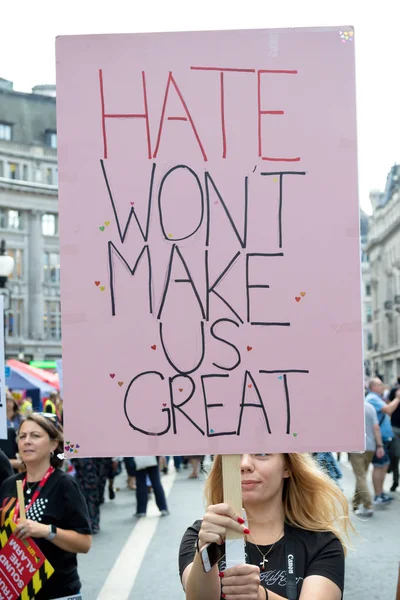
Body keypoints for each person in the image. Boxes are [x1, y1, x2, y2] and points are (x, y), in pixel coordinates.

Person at [179, 453, 350, 599]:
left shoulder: (322, 543)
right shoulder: (202, 535)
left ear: (287, 467)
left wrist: (261, 595)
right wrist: (204, 553)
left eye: (261, 453)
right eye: (235, 455)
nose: (244, 464)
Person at [0, 413, 92, 599]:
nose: (27, 441)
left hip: (58, 592)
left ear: (53, 444)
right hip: (14, 591)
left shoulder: (64, 484)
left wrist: (46, 531)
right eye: (22, 436)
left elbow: (84, 543)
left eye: (35, 436)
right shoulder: (9, 484)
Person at [366, 377, 400, 505]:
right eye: (380, 385)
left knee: (384, 465)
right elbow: (388, 410)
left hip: (383, 439)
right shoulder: (373, 398)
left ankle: (380, 493)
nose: (382, 387)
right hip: (379, 440)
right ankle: (378, 495)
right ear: (373, 386)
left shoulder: (375, 398)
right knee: (379, 466)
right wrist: (397, 398)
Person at [348, 398, 385, 517]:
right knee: (362, 475)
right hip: (370, 446)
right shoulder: (370, 407)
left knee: (360, 476)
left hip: (356, 446)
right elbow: (376, 428)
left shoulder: (350, 407)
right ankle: (355, 503)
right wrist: (379, 445)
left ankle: (368, 504)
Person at [388, 378, 400, 492]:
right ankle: (395, 481)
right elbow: (388, 407)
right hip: (395, 428)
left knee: (395, 456)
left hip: (395, 428)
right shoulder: (394, 391)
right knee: (395, 456)